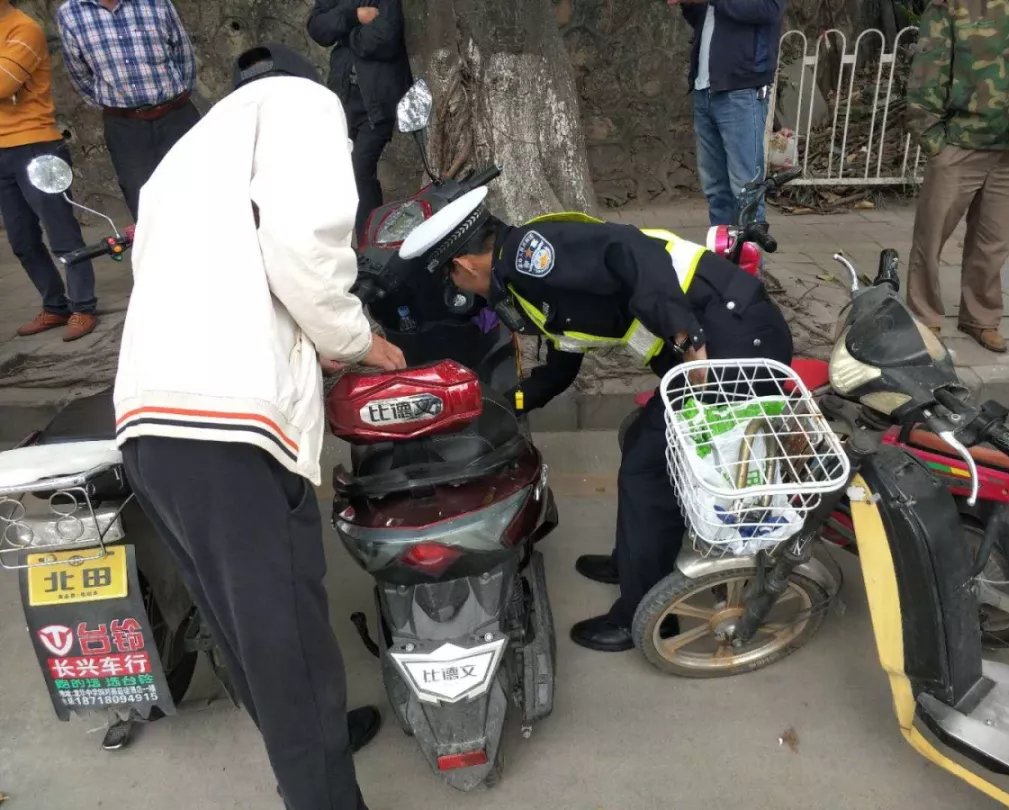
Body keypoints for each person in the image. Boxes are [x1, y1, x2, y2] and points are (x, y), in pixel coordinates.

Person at [112, 44, 406, 810]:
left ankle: (311, 754)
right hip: (228, 429)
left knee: (244, 629)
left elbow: (191, 274)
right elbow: (305, 247)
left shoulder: (188, 150)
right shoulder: (303, 104)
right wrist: (357, 339)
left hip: (149, 420)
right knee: (289, 646)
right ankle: (323, 793)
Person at [400, 189, 794, 652]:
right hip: (720, 331)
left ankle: (643, 614)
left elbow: (631, 249)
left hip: (732, 337)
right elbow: (562, 365)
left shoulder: (531, 259)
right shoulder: (522, 277)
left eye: (452, 279)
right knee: (642, 442)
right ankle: (635, 562)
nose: (461, 292)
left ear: (464, 265)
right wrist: (501, 405)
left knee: (648, 468)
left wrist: (686, 336)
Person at [904, 0, 1009, 354]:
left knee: (994, 240)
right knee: (932, 235)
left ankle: (980, 317)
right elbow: (928, 67)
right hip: (961, 141)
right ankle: (924, 318)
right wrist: (932, 139)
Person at [0, 0, 98, 341]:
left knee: (61, 234)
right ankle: (55, 306)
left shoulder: (23, 28)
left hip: (36, 145)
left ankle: (84, 307)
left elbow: (3, 84)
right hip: (2, 151)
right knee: (22, 240)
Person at [56, 0, 200, 218]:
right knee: (143, 202)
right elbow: (79, 74)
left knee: (199, 188)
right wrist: (120, 106)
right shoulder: (71, 13)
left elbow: (183, 52)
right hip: (125, 127)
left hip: (176, 116)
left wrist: (177, 97)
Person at [672, 0, 787, 227]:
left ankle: (749, 249)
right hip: (705, 88)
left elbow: (770, 10)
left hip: (742, 89)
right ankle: (722, 248)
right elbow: (705, 20)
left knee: (746, 189)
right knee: (715, 189)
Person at [307, 0, 412, 236]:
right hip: (343, 95)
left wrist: (345, 35)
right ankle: (343, 243)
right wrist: (353, 16)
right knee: (335, 172)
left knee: (359, 171)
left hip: (378, 100)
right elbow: (317, 27)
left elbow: (386, 38)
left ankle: (370, 242)